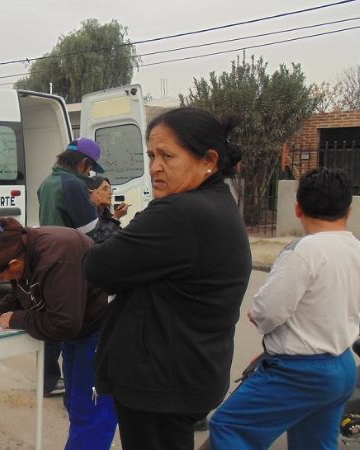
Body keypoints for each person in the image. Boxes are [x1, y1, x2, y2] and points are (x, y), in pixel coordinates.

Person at [83, 107, 252, 450]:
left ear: (208, 159)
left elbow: (97, 266)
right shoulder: (215, 201)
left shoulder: (180, 212)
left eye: (167, 156)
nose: (155, 167)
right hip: (187, 372)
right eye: (151, 155)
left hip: (161, 382)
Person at [208, 167, 360, 450]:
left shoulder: (304, 251)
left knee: (229, 425)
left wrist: (258, 314)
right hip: (342, 366)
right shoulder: (358, 249)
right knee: (316, 443)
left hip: (299, 372)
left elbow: (268, 311)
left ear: (298, 208)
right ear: (349, 208)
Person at [0, 217, 117, 449]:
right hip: (80, 330)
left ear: (14, 264)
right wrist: (1, 307)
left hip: (100, 331)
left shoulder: (57, 255)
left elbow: (64, 323)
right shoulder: (24, 247)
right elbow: (26, 289)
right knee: (76, 403)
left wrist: (18, 319)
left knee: (91, 412)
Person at [36, 137, 104, 397]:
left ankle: (49, 378)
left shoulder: (47, 182)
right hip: (72, 263)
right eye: (91, 169)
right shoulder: (74, 185)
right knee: (68, 325)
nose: (90, 174)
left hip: (49, 260)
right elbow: (91, 232)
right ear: (84, 163)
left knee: (52, 320)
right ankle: (56, 381)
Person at [83, 175, 130, 243]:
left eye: (110, 189)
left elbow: (119, 237)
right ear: (92, 192)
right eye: (105, 189)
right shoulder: (86, 215)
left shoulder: (105, 215)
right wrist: (116, 218)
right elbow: (97, 240)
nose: (110, 193)